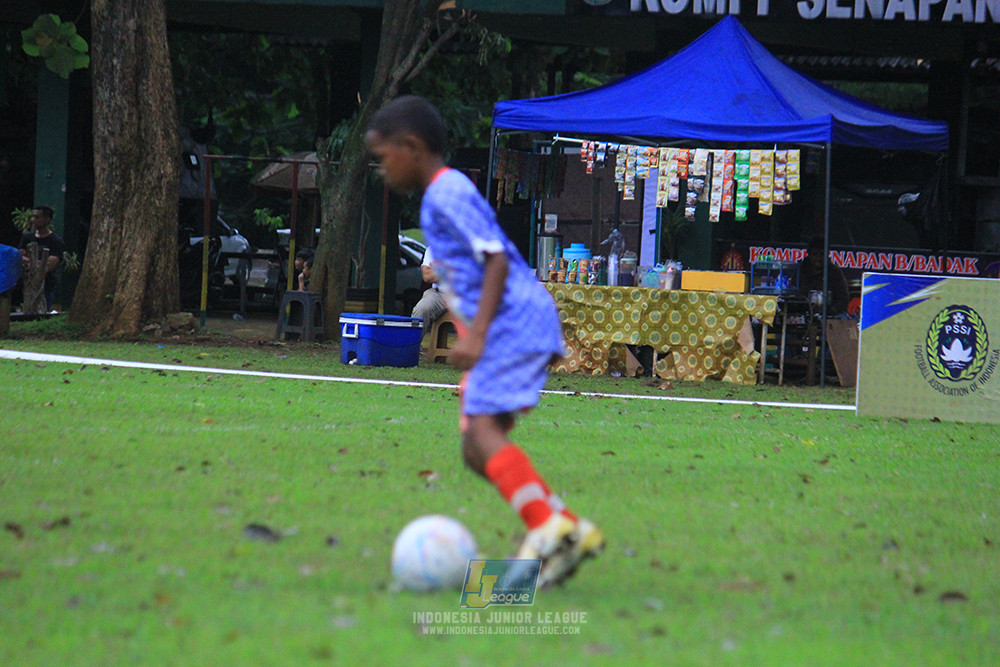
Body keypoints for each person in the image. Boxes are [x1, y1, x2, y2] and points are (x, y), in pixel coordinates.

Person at [366, 95, 604, 587]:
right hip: (507, 326)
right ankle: (565, 528)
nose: (381, 169)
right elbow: (462, 279)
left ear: (411, 147)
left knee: (480, 437)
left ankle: (549, 526)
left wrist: (475, 338)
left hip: (512, 324)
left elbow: (495, 259)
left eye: (383, 156)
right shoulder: (440, 197)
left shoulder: (446, 193)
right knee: (475, 449)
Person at [19, 206, 65, 311]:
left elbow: (51, 264)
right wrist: (37, 262)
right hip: (27, 284)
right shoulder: (27, 237)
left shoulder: (55, 241)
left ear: (47, 219)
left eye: (37, 217)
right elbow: (19, 256)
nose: (33, 220)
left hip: (46, 286)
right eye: (33, 217)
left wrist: (29, 261)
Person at [799, 235, 849, 317]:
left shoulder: (835, 272)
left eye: (822, 254)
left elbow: (843, 299)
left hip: (830, 315)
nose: (818, 258)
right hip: (804, 313)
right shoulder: (801, 270)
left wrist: (831, 311)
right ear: (808, 254)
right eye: (815, 254)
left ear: (827, 254)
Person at [410, 246, 447, 339]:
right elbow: (427, 276)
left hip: (468, 295)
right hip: (440, 294)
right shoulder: (433, 247)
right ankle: (410, 348)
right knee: (422, 309)